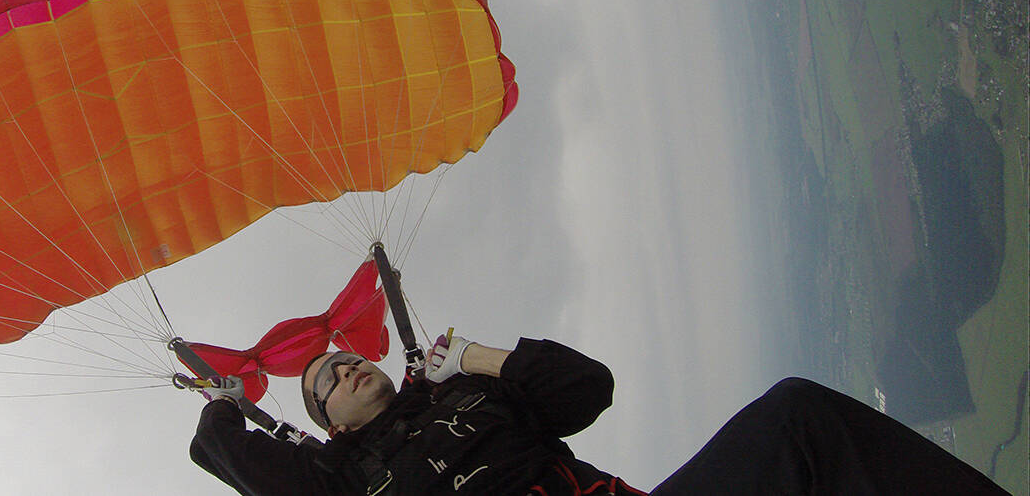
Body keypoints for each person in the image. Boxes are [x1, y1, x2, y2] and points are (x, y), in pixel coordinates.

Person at [190, 334, 1010, 495]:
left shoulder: (462, 392)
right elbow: (229, 457)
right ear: (330, 424)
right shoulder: (344, 479)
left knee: (798, 417)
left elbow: (588, 389)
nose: (345, 368)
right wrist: (228, 401)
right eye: (328, 381)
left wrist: (478, 357)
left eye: (346, 357)